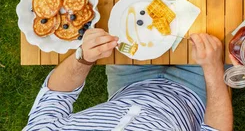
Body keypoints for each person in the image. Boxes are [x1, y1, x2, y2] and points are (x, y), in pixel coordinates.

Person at [25, 28, 233, 131]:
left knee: (137, 6)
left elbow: (53, 98)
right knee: (219, 21)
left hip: (128, 81)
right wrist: (213, 69)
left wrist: (83, 57)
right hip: (198, 91)